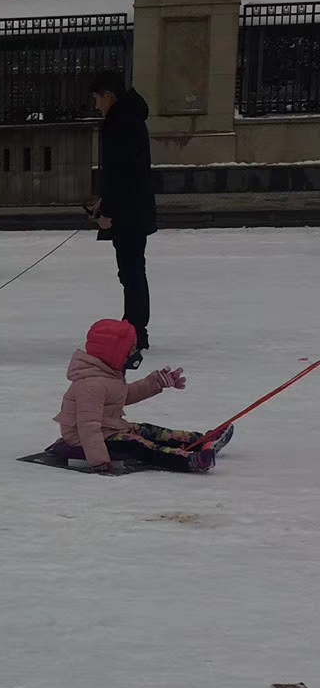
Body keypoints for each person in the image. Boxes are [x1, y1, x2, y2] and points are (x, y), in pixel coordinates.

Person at [47, 319, 231, 475]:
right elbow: (88, 428)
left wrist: (156, 382)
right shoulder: (90, 385)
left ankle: (201, 440)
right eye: (131, 349)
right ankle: (188, 461)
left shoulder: (108, 374)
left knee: (149, 431)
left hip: (110, 429)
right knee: (138, 444)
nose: (135, 353)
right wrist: (99, 462)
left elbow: (125, 395)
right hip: (85, 439)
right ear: (114, 353)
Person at [88, 70, 156, 351]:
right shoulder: (128, 119)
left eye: (97, 99)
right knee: (131, 269)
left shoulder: (121, 123)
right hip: (133, 208)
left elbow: (123, 173)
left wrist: (109, 212)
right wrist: (104, 201)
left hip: (129, 211)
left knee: (131, 270)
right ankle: (135, 325)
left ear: (108, 95)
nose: (96, 106)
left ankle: (136, 329)